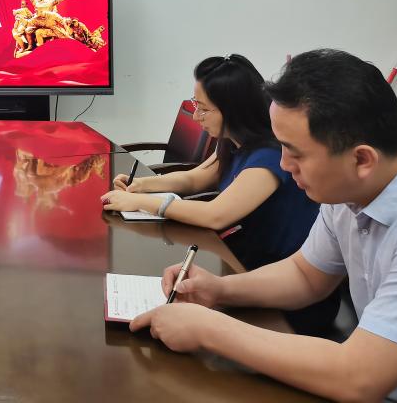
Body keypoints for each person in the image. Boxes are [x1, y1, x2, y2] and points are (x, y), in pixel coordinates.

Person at [131, 49, 397, 403]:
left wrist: (207, 329)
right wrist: (218, 289)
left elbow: (359, 377)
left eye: (296, 153)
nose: (283, 165)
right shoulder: (348, 189)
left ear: (362, 159)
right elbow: (306, 275)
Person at [101, 55, 324, 273]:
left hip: (271, 271)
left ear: (234, 110)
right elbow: (195, 178)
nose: (196, 116)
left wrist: (139, 202)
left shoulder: (269, 157)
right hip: (238, 254)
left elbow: (214, 215)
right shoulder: (232, 141)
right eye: (195, 104)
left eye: (204, 109)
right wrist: (141, 184)